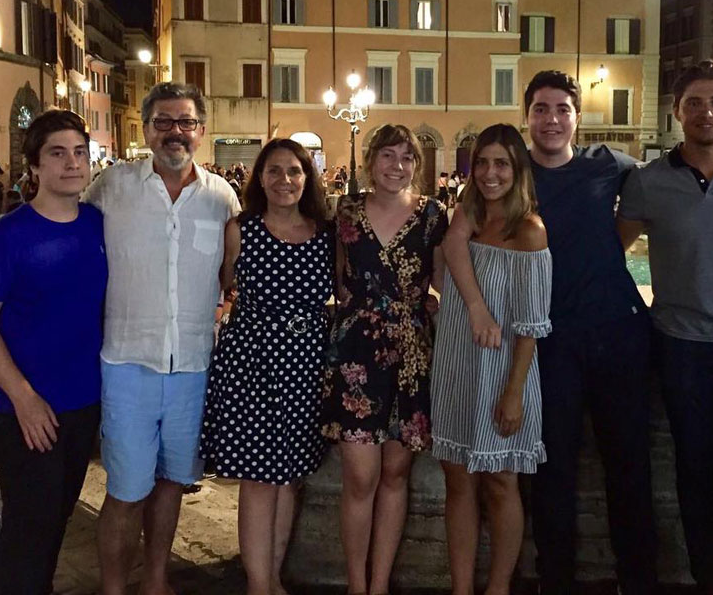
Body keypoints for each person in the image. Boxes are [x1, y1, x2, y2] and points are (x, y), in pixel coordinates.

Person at [442, 70, 657, 594]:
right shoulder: (510, 180)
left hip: (614, 334)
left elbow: (665, 180)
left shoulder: (611, 166)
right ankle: (554, 580)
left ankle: (640, 582)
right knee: (552, 474)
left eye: (562, 108)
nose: (552, 119)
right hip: (550, 345)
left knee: (630, 466)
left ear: (578, 118)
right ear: (528, 116)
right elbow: (455, 241)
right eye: (541, 108)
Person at [617, 60, 713, 595]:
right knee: (693, 473)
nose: (706, 112)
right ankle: (708, 582)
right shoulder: (647, 182)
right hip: (682, 348)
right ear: (676, 111)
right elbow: (612, 256)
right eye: (694, 103)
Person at [83, 82, 240, 595]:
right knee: (126, 491)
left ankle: (155, 580)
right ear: (148, 128)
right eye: (164, 122)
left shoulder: (222, 197)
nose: (176, 131)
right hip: (127, 362)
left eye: (186, 122)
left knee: (173, 482)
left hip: (193, 364)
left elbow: (234, 275)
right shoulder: (111, 186)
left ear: (200, 130)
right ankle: (113, 588)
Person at [0, 109, 107, 594]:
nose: (72, 163)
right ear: (34, 167)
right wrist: (24, 398)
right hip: (23, 409)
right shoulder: (5, 238)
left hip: (82, 404)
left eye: (79, 152)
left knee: (54, 523)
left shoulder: (97, 225)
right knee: (29, 530)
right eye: (57, 153)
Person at [201, 138, 334, 595]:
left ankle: (272, 578)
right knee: (259, 479)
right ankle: (259, 585)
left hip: (304, 364)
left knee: (290, 476)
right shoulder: (242, 229)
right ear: (259, 177)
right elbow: (222, 284)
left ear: (307, 177)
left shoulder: (323, 233)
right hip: (253, 361)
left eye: (294, 171)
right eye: (274, 171)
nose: (284, 180)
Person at [322, 124, 447, 595]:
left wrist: (432, 305)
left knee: (396, 474)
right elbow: (336, 278)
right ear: (370, 161)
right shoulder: (347, 211)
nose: (397, 166)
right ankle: (357, 585)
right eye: (388, 156)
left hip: (412, 353)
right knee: (360, 476)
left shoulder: (434, 215)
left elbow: (442, 279)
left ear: (416, 164)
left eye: (407, 157)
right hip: (356, 353)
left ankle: (378, 586)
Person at [432, 124, 551, 595]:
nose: (489, 173)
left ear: (518, 168)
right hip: (458, 364)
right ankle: (462, 588)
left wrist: (515, 392)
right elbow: (453, 247)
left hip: (506, 370)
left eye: (501, 163)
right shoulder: (469, 214)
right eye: (481, 162)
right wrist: (478, 308)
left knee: (502, 481)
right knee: (458, 480)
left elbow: (531, 324)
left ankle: (498, 587)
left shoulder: (529, 230)